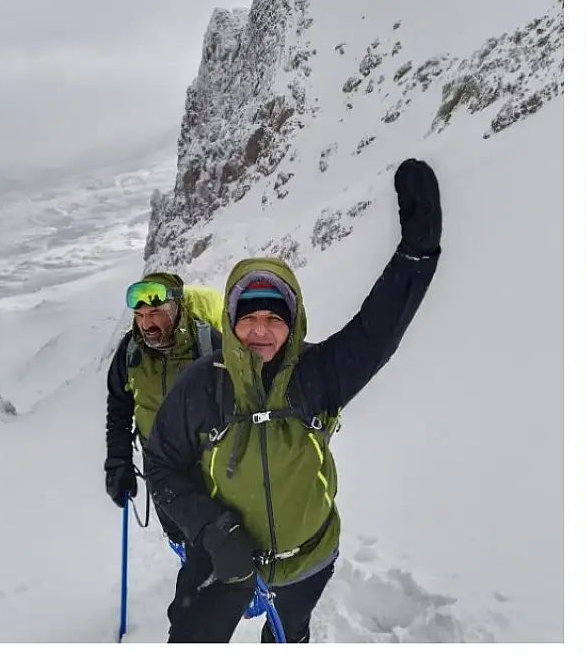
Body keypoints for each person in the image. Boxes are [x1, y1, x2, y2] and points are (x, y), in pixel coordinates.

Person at [144, 158, 442, 643]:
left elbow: (377, 330)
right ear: (231, 321)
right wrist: (213, 530)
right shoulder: (201, 386)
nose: (261, 329)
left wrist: (416, 258)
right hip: (222, 560)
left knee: (288, 637)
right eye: (248, 315)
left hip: (308, 558)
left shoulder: (319, 375)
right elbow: (160, 465)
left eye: (275, 316)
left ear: (294, 323)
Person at [105, 274, 225, 544]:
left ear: (177, 308)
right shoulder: (130, 351)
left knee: (219, 541)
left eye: (156, 313)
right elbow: (119, 407)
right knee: (178, 533)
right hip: (158, 467)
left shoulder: (210, 346)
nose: (146, 324)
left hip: (209, 466)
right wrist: (118, 461)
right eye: (140, 315)